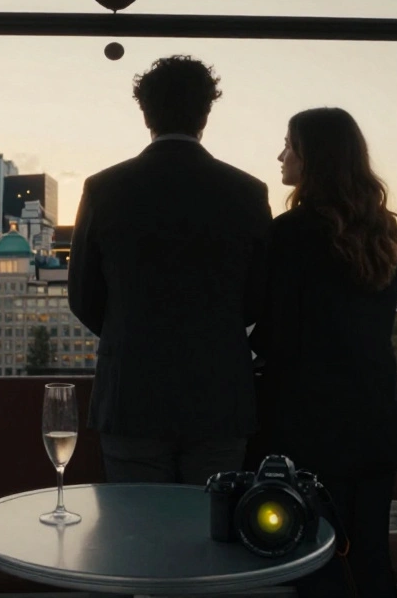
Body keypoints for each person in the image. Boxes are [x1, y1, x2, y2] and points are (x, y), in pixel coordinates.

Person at [68, 55, 272, 486]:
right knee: (212, 530)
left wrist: (132, 331)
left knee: (137, 535)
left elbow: (83, 296)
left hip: (130, 396)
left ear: (146, 114)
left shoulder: (104, 188)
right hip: (220, 395)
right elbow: (260, 295)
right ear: (206, 112)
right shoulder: (247, 192)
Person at [251, 107, 397, 598]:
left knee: (315, 560)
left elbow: (276, 333)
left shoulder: (289, 234)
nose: (280, 155)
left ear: (313, 158)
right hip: (376, 419)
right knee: (371, 558)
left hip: (309, 426)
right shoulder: (386, 233)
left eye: (289, 146)